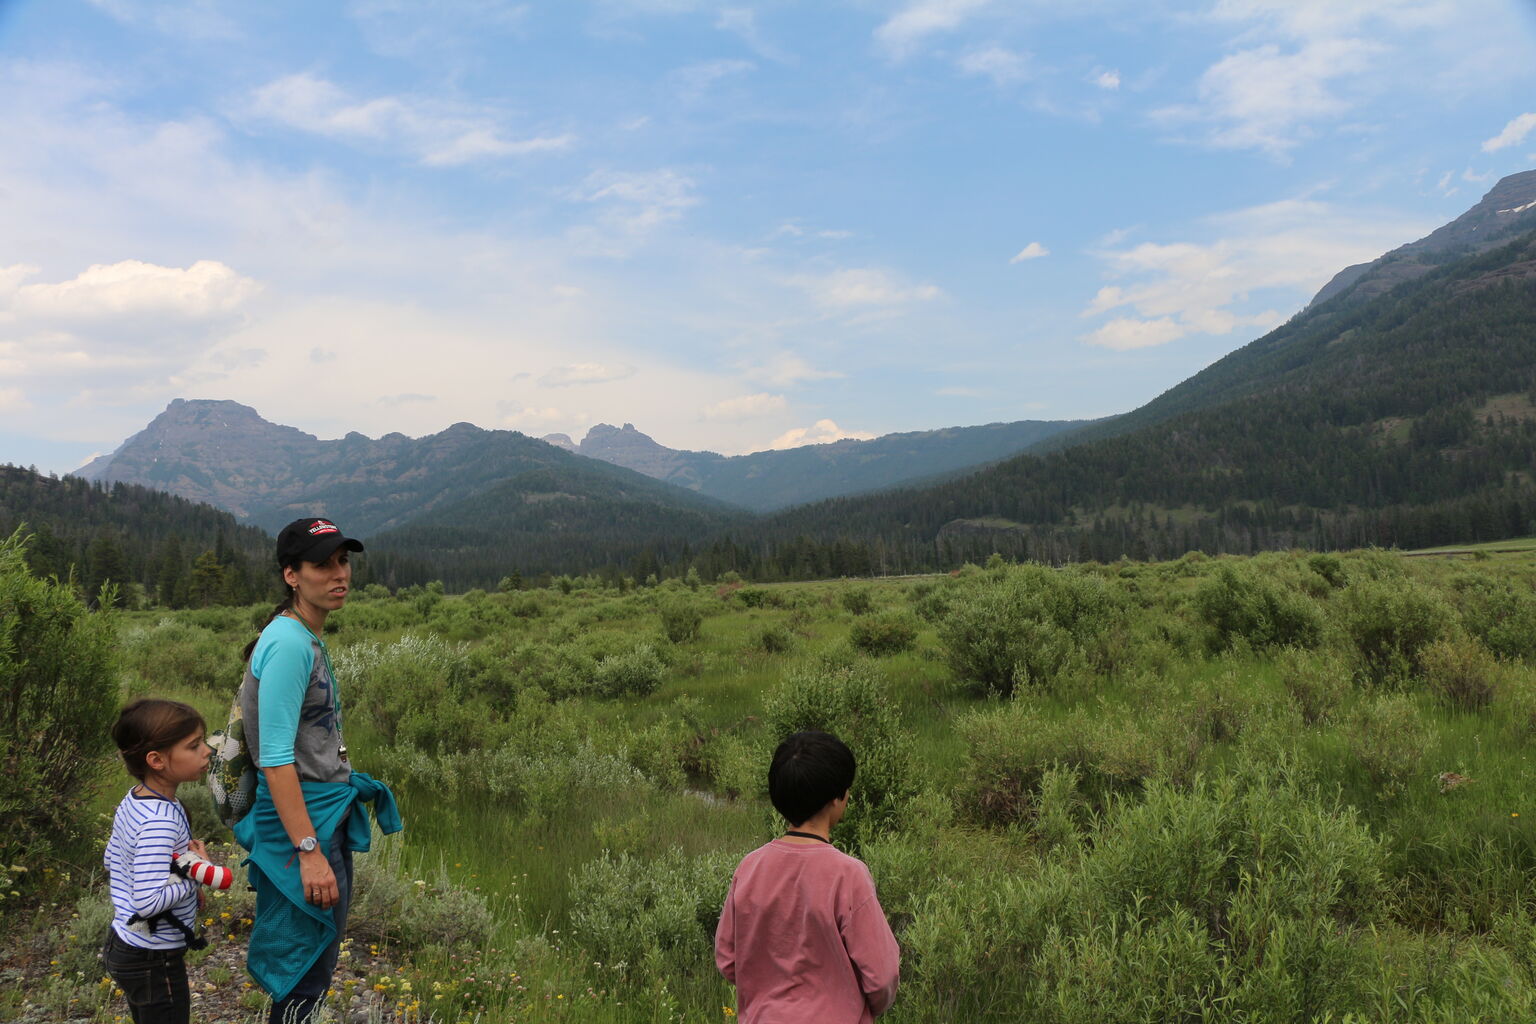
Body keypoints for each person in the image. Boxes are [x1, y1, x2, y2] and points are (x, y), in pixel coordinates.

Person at [233, 518, 401, 1024]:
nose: (338, 574)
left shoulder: (301, 636)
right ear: (291, 575)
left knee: (312, 965)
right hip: (304, 825)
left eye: (342, 561)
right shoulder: (287, 644)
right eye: (321, 565)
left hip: (319, 813)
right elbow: (275, 761)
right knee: (304, 970)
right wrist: (308, 852)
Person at [715, 730, 900, 1023]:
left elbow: (727, 960)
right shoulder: (848, 875)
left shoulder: (749, 867)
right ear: (837, 798)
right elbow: (883, 976)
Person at [103, 699, 225, 1024]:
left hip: (125, 942)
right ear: (156, 760)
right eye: (194, 746)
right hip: (152, 958)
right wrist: (194, 874)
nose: (207, 752)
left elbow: (111, 858)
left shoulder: (134, 799)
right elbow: (148, 900)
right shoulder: (160, 821)